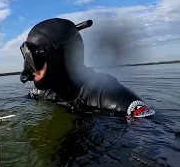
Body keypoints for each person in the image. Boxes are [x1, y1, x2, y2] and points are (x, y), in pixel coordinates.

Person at [19, 18, 155, 119]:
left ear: (60, 57)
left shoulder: (115, 98)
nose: (31, 67)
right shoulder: (42, 92)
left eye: (34, 58)